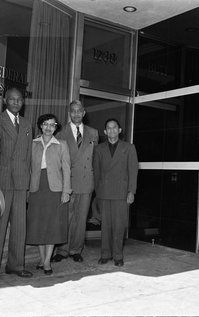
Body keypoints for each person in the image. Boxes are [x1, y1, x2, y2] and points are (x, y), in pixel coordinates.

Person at [0, 87, 33, 284]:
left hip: (21, 182)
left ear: (23, 102)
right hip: (1, 180)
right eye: (12, 99)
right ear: (5, 100)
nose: (15, 102)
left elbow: (28, 156)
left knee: (19, 227)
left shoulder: (28, 124)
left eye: (19, 99)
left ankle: (16, 265)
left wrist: (28, 184)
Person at [52, 100, 98, 263]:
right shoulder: (60, 132)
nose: (76, 114)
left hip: (86, 182)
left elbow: (95, 159)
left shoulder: (93, 133)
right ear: (69, 113)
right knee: (66, 218)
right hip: (67, 182)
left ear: (84, 113)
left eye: (79, 111)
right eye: (73, 111)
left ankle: (76, 249)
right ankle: (63, 249)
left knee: (81, 219)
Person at [26, 114, 72, 275]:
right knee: (38, 224)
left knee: (52, 225)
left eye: (52, 125)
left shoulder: (62, 145)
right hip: (36, 188)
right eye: (45, 124)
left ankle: (47, 262)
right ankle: (41, 258)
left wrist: (66, 191)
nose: (48, 127)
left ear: (56, 127)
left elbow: (66, 169)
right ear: (40, 126)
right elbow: (29, 169)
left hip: (55, 189)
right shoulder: (32, 144)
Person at [93, 118, 138, 267]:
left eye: (114, 128)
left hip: (121, 192)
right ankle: (105, 254)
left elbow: (133, 171)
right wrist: (98, 192)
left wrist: (131, 191)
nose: (112, 131)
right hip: (104, 193)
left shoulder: (129, 148)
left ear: (119, 130)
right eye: (109, 128)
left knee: (119, 225)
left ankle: (118, 255)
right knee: (105, 225)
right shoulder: (99, 149)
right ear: (105, 132)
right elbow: (97, 173)